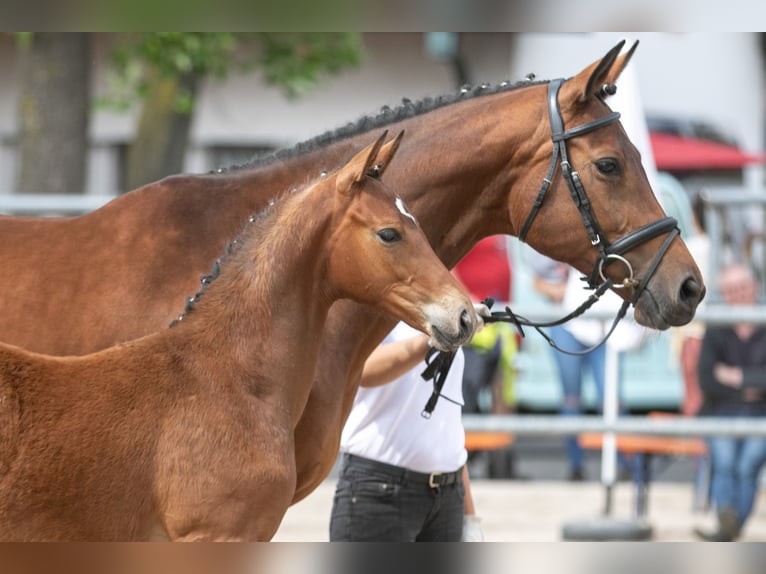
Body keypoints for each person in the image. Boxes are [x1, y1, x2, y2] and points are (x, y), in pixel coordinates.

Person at [329, 321, 484, 542]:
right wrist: (430, 342)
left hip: (448, 495)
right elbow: (362, 369)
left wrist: (470, 516)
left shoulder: (442, 314)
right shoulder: (373, 306)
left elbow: (448, 423)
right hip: (379, 490)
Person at [528, 249, 644, 481]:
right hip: (569, 323)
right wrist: (568, 293)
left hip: (602, 322)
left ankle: (627, 460)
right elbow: (537, 281)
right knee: (572, 399)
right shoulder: (556, 241)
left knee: (610, 399)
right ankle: (576, 464)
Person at [693, 263, 766, 542]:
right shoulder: (717, 328)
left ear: (754, 288)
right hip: (721, 410)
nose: (737, 294)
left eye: (742, 287)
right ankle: (729, 524)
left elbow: (719, 377)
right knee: (724, 460)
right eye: (731, 289)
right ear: (725, 293)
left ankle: (729, 528)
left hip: (761, 413)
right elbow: (707, 380)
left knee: (747, 464)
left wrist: (736, 377)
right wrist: (751, 385)